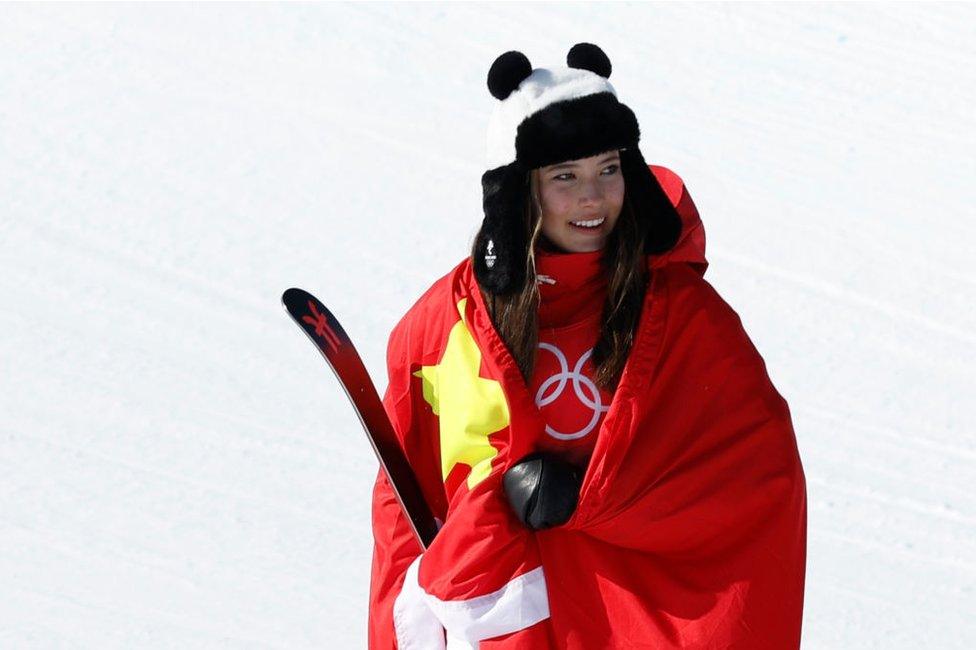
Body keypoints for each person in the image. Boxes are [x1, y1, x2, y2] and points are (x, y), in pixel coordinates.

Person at [368, 43, 807, 649]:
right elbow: (407, 498)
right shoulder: (449, 322)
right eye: (565, 177)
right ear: (521, 190)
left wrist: (596, 500)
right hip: (510, 615)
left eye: (608, 168)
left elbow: (753, 474)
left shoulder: (684, 317)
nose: (592, 198)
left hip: (629, 615)